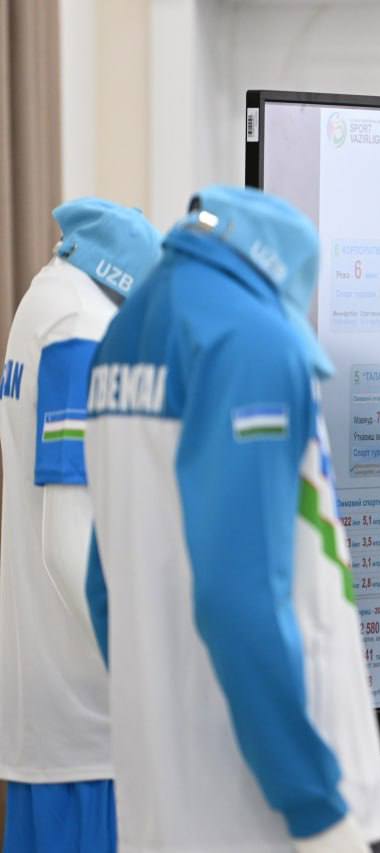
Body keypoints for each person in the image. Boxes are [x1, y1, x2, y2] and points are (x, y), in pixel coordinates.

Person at [82, 186, 380, 852]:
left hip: (160, 797)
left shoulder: (122, 333)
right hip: (259, 811)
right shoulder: (252, 342)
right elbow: (239, 596)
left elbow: (102, 586)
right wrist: (315, 807)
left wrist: (159, 719)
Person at [0, 198, 163, 853]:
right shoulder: (84, 330)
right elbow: (69, 548)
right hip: (96, 736)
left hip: (51, 716)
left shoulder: (43, 300)